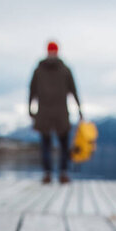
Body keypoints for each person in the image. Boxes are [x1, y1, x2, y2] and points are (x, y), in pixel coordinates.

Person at [29, 41, 83, 184]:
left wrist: (79, 109)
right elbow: (32, 90)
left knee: (56, 145)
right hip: (55, 113)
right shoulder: (61, 69)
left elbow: (73, 90)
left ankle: (56, 173)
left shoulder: (42, 70)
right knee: (53, 145)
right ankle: (56, 174)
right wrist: (79, 110)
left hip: (49, 113)